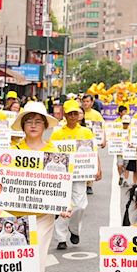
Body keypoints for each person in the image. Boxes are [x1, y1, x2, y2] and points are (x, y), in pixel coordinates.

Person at [10, 101, 66, 272]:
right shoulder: (12, 152)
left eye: (38, 122)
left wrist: (64, 204)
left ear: (44, 126)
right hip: (14, 216)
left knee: (37, 257)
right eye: (29, 122)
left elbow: (62, 184)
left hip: (42, 216)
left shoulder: (54, 152)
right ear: (23, 125)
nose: (33, 126)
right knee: (16, 260)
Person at [52, 99, 99, 250]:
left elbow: (94, 152)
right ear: (65, 115)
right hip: (62, 175)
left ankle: (74, 229)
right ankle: (61, 238)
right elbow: (51, 154)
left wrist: (98, 168)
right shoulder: (57, 134)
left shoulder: (86, 132)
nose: (73, 116)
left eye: (75, 113)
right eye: (70, 113)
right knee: (62, 205)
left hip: (80, 174)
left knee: (80, 205)